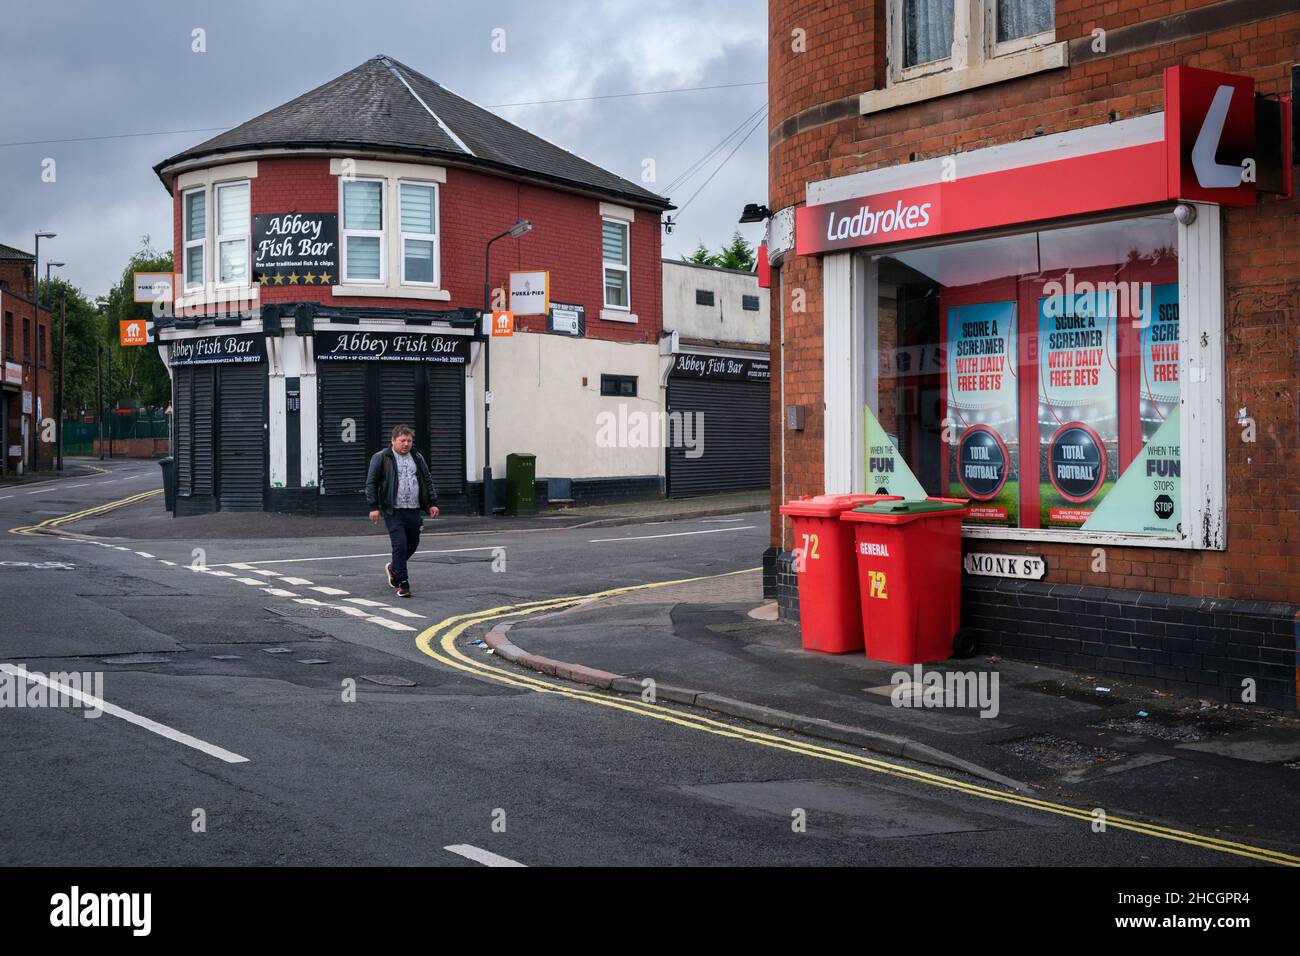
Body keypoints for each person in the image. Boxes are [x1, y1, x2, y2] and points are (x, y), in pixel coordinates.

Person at [365, 424, 439, 597]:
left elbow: (427, 480)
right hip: (393, 509)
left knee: (412, 545)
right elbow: (371, 483)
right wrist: (373, 507)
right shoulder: (382, 457)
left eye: (409, 441)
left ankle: (393, 567)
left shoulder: (417, 457)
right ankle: (403, 584)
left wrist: (432, 503)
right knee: (400, 544)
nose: (406, 444)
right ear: (393, 441)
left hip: (413, 508)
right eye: (402, 440)